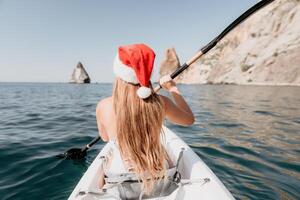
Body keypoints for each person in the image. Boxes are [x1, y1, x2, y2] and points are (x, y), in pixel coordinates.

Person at [96, 43, 194, 194]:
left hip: (120, 179)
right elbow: (189, 119)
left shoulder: (103, 106)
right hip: (160, 174)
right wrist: (173, 89)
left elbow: (104, 137)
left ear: (119, 75)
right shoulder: (160, 102)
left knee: (103, 172)